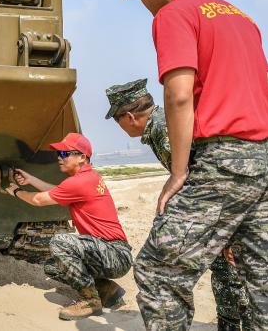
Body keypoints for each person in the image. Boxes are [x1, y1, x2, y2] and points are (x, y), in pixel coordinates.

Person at [124, 0, 268, 330]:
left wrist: (178, 171)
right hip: (263, 160)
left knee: (158, 272)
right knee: (263, 283)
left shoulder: (174, 14)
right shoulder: (241, 17)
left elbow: (179, 93)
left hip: (222, 160)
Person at [105, 78, 252, 330]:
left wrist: (231, 234)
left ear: (129, 116)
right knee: (227, 275)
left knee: (229, 276)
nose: (120, 127)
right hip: (224, 208)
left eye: (117, 121)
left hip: (226, 207)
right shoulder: (161, 125)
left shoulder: (164, 130)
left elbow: (210, 180)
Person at [6, 132, 132, 320]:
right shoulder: (87, 177)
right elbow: (58, 191)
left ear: (82, 157)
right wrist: (31, 180)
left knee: (60, 242)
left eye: (65, 154)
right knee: (53, 267)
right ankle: (107, 290)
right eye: (59, 154)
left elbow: (39, 200)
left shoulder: (81, 181)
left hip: (115, 253)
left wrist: (15, 191)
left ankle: (90, 301)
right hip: (110, 251)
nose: (59, 158)